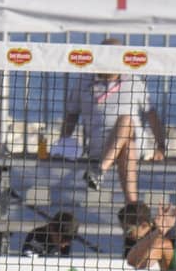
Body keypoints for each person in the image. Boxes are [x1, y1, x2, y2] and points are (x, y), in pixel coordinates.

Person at [59, 40, 166, 205]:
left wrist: (161, 146)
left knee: (126, 122)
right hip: (100, 148)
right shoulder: (83, 81)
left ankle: (100, 171)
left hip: (136, 145)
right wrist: (62, 143)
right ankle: (132, 206)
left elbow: (151, 114)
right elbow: (72, 115)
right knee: (126, 145)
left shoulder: (134, 81)